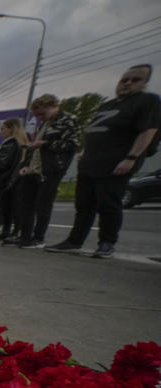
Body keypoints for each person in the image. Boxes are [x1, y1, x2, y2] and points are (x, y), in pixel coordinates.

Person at [47, 65, 160, 258]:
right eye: (125, 79)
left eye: (135, 80)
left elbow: (148, 131)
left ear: (144, 83)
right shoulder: (108, 105)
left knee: (109, 204)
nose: (128, 83)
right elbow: (95, 131)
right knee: (84, 205)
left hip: (116, 163)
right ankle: (74, 240)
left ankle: (107, 242)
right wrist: (84, 151)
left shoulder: (147, 101)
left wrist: (131, 158)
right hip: (91, 162)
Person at [5, 94, 80, 249]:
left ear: (53, 106)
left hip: (51, 168)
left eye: (42, 114)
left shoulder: (68, 120)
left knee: (43, 204)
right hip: (33, 168)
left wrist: (45, 143)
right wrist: (26, 164)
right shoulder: (44, 124)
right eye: (37, 115)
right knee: (26, 203)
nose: (39, 117)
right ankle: (24, 236)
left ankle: (38, 237)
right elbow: (34, 147)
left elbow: (72, 144)